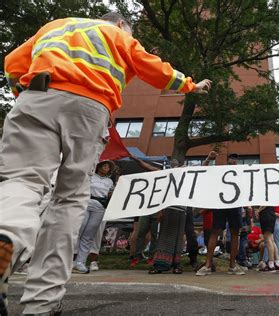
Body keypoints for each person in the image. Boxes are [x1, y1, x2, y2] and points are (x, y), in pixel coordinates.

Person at [0, 12, 211, 315]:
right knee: (69, 199)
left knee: (22, 181)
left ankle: (7, 233)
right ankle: (41, 303)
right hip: (89, 107)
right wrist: (192, 86)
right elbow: (156, 70)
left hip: (36, 99)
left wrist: (21, 94)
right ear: (123, 25)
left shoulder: (55, 26)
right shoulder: (120, 37)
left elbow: (12, 63)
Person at [196, 151, 245, 276]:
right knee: (215, 231)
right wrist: (208, 158)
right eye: (231, 157)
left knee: (235, 233)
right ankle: (207, 265)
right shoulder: (219, 170)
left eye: (235, 158)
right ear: (227, 159)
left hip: (235, 204)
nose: (234, 160)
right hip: (221, 204)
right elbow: (203, 171)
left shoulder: (241, 173)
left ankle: (232, 266)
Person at [73, 160, 115, 274]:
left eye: (108, 166)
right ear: (99, 167)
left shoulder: (110, 181)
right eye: (104, 165)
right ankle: (71, 259)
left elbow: (110, 195)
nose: (106, 167)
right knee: (79, 230)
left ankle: (80, 262)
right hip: (86, 203)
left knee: (89, 235)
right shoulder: (90, 176)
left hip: (100, 207)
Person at [256, 206, 279, 272]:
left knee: (268, 239)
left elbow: (265, 203)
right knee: (271, 239)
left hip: (266, 214)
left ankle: (271, 264)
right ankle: (277, 262)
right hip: (270, 214)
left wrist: (258, 210)